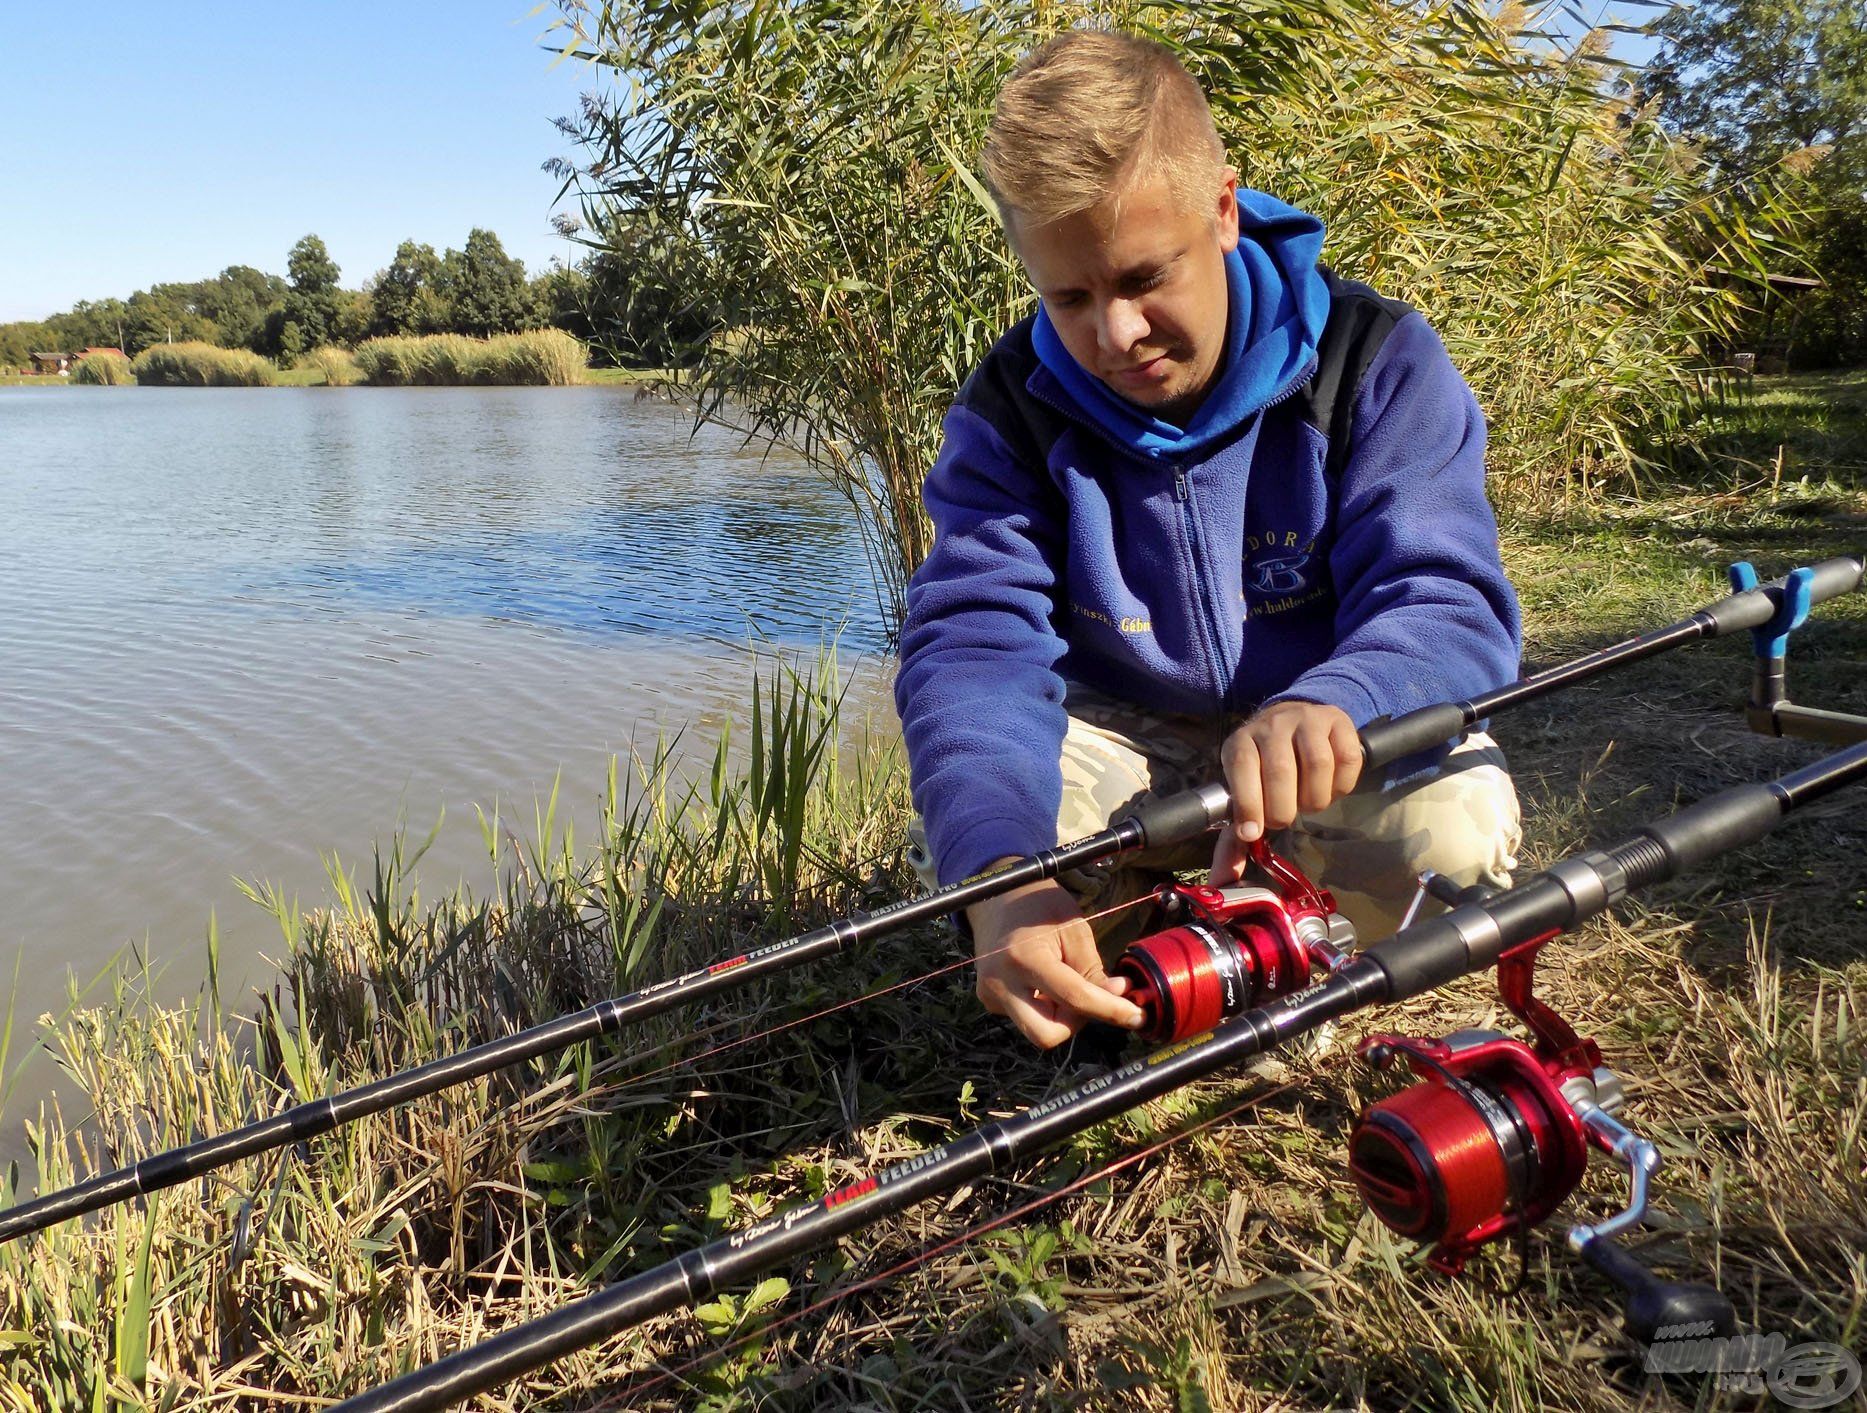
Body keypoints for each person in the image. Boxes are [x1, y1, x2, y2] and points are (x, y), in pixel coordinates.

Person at [895, 29, 1523, 1052]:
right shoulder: (1010, 408)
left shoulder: (1377, 359)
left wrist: (1336, 699)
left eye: (1145, 277)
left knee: (1454, 841)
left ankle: (1287, 952)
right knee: (975, 842)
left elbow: (1445, 601)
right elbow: (973, 644)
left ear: (1223, 211)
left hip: (1324, 737)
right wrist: (999, 878)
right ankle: (1122, 923)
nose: (1114, 335)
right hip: (1124, 732)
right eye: (1068, 297)